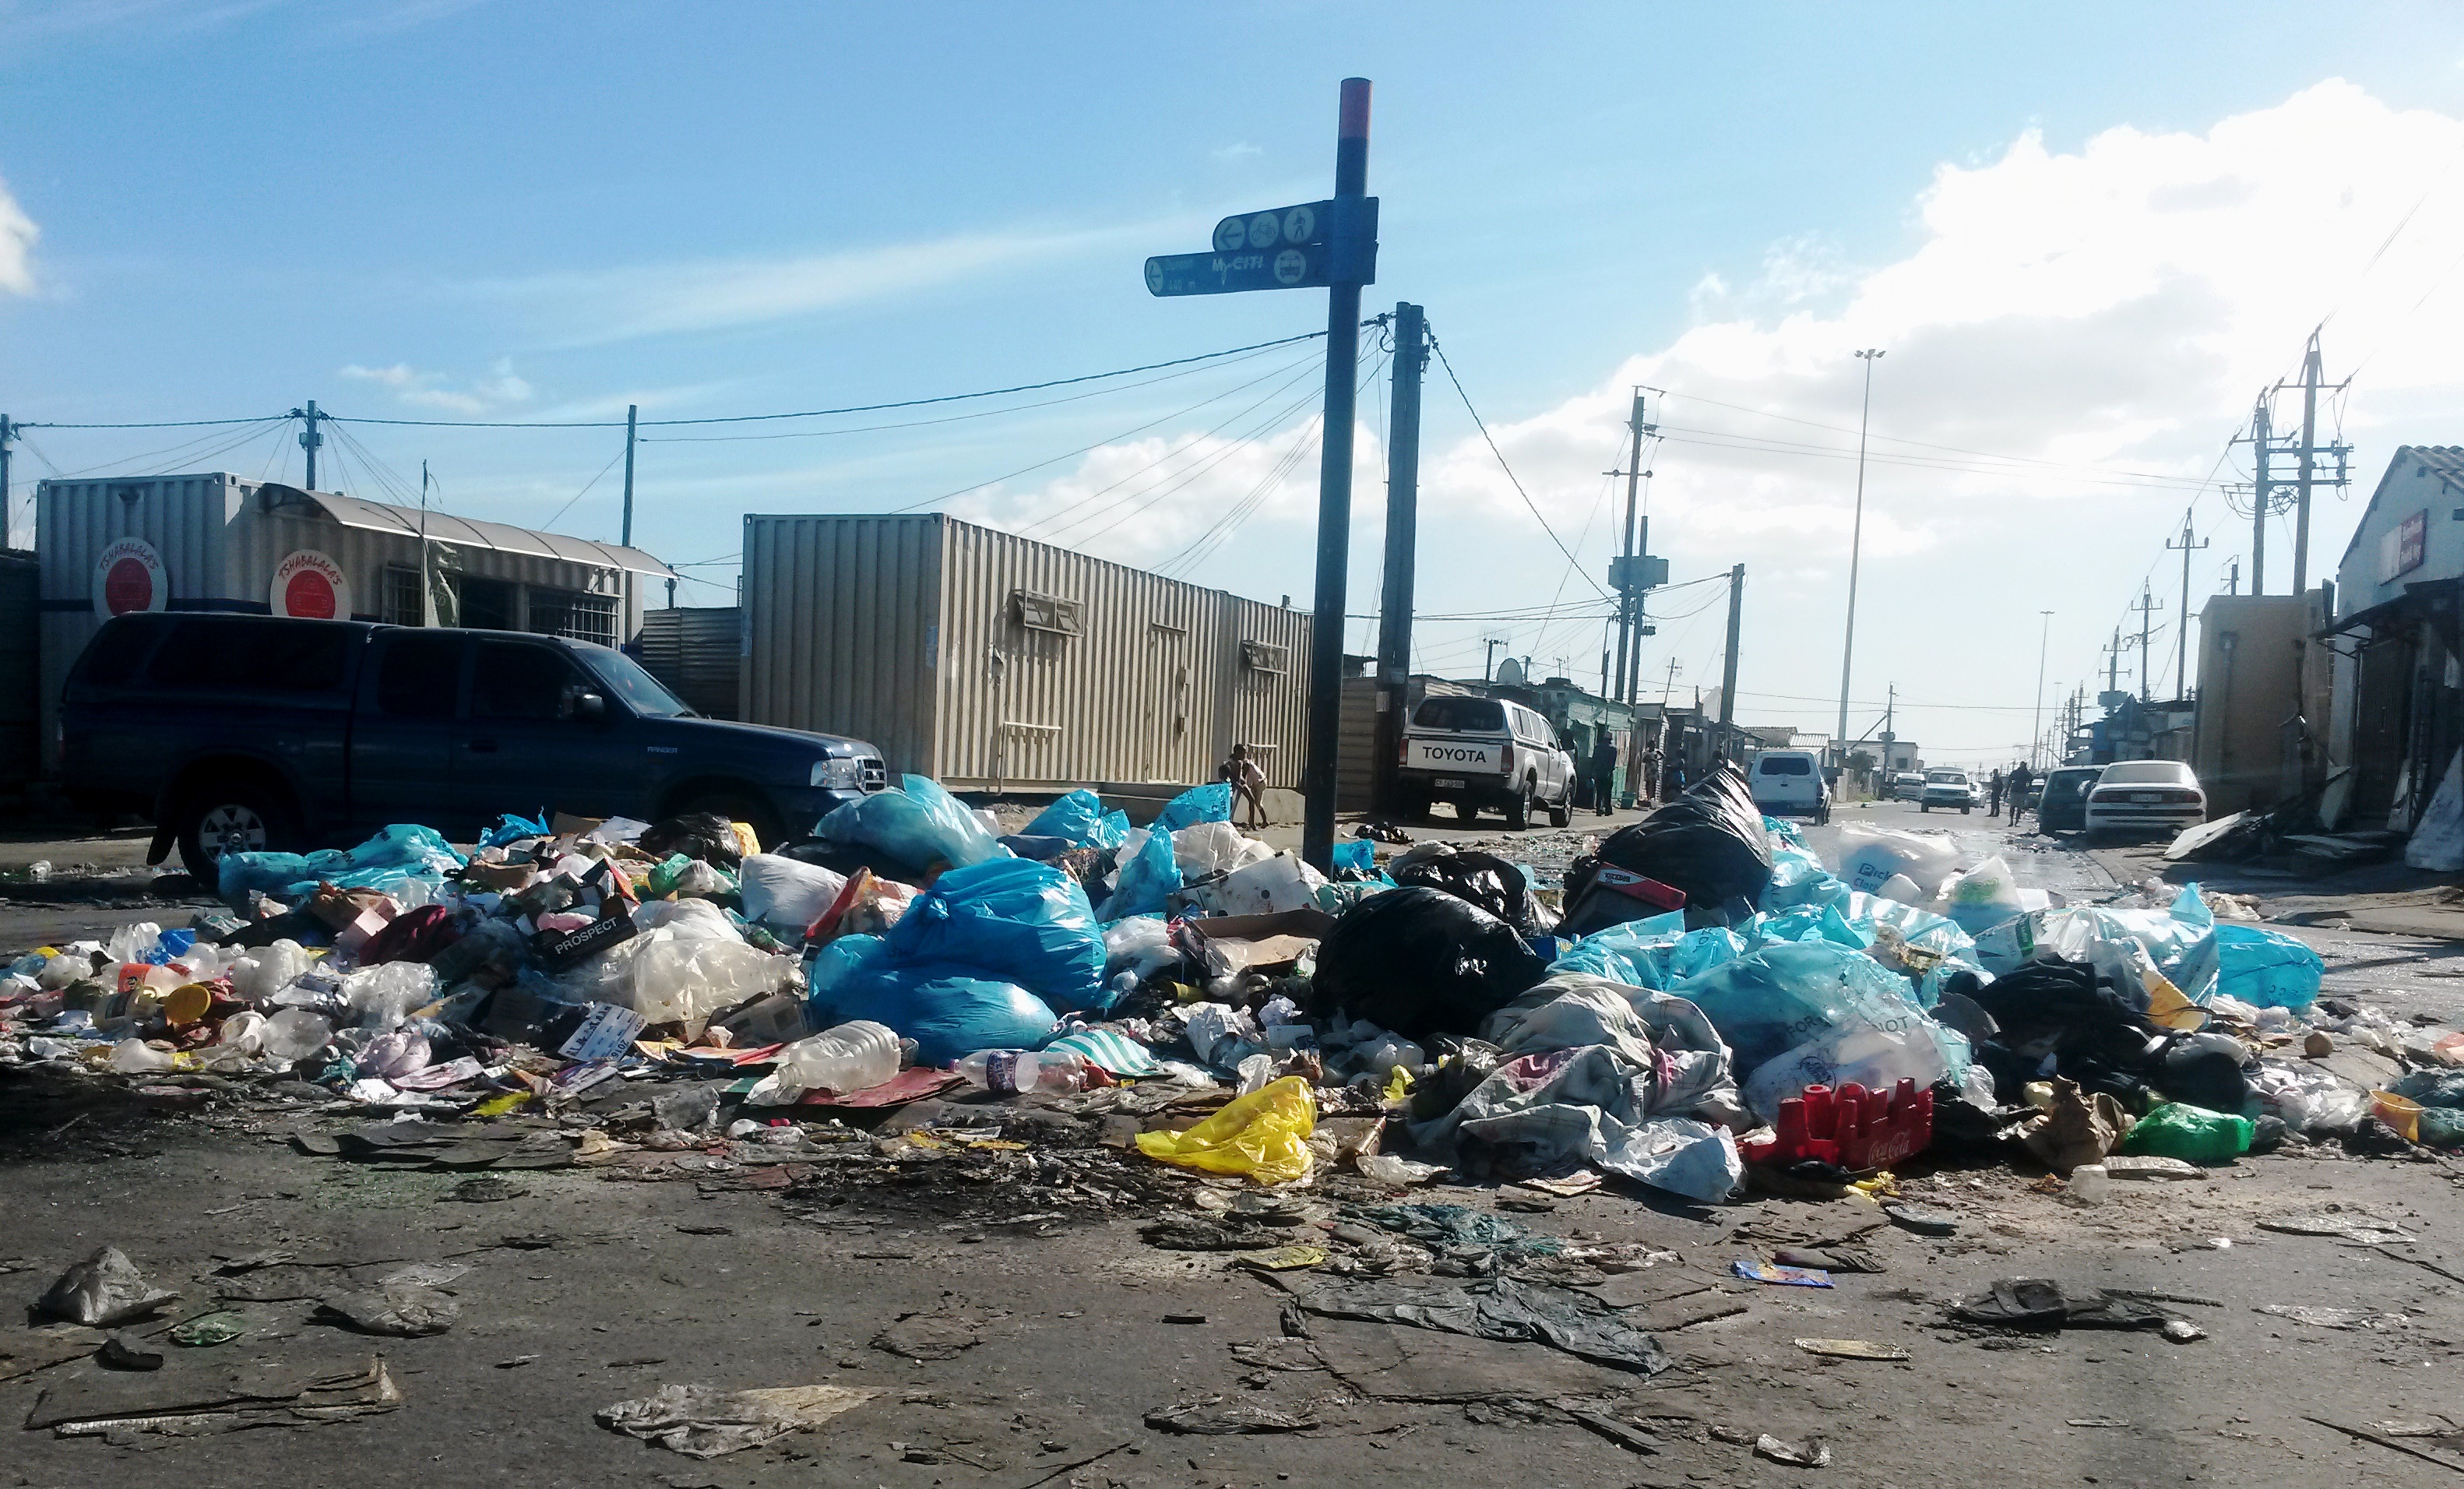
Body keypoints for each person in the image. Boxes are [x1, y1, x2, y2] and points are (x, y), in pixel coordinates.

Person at [1223, 743, 1269, 829]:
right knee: (1230, 802)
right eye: (1242, 753)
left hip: (1241, 783)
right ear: (1237, 752)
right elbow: (1228, 774)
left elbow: (1242, 775)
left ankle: (1252, 823)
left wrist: (1243, 783)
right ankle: (1228, 820)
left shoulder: (1240, 762)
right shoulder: (1230, 762)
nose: (1244, 755)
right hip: (1233, 783)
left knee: (1252, 800)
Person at [1589, 733, 1619, 817]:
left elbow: (1594, 760)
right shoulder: (1613, 749)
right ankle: (1608, 810)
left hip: (1598, 772)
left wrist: (1592, 771)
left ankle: (1599, 809)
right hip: (1608, 773)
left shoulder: (1597, 747)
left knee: (1599, 792)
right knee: (1608, 792)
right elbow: (1612, 763)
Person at [2008, 761, 2034, 826]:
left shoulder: (2024, 773)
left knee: (2017, 807)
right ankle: (2012, 821)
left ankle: (2015, 821)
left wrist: (2027, 786)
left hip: (2019, 791)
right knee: (2014, 807)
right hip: (2018, 791)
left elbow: (2031, 780)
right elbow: (2010, 778)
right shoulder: (2021, 773)